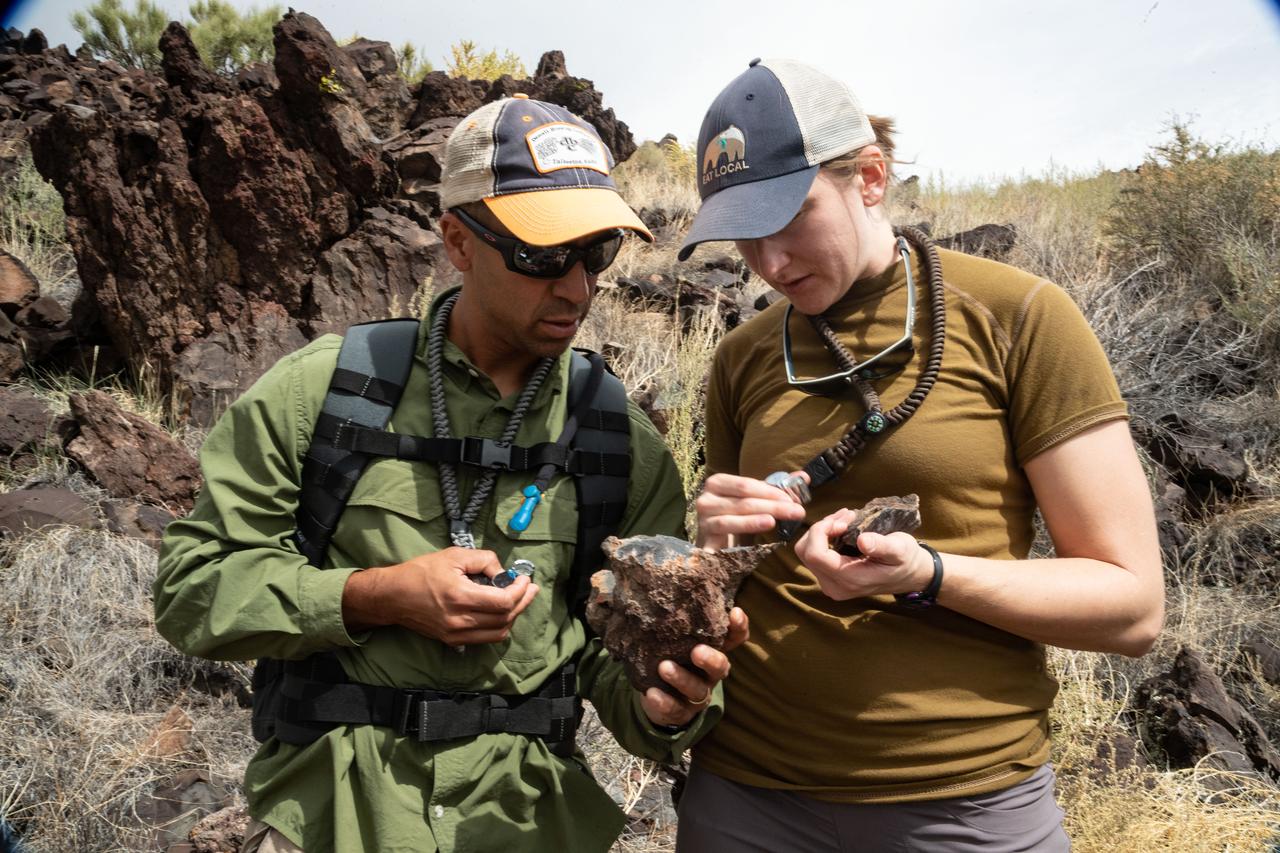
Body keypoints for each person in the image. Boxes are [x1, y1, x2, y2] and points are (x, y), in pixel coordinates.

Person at [154, 95, 745, 853]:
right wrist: (371, 597)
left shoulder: (618, 443)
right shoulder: (326, 394)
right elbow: (190, 588)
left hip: (529, 824)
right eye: (542, 256)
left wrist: (670, 702)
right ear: (458, 243)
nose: (576, 288)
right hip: (334, 815)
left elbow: (622, 674)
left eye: (596, 252)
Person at [676, 58, 1163, 852]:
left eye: (788, 219)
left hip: (961, 802)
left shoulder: (1020, 318)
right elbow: (726, 577)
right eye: (743, 235)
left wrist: (929, 574)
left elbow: (1133, 605)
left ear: (870, 176)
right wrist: (712, 545)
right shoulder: (741, 356)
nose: (767, 264)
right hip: (745, 795)